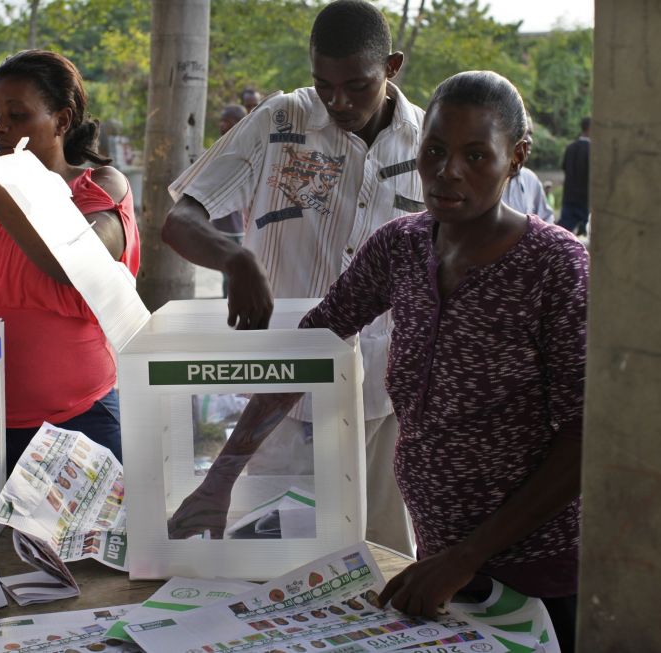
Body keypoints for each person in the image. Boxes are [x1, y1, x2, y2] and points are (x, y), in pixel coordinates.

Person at [173, 70, 586, 652]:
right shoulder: (401, 247)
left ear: (516, 158)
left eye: (476, 156)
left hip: (536, 569)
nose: (448, 172)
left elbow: (584, 436)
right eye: (435, 150)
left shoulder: (556, 269)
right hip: (441, 557)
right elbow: (309, 355)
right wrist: (220, 478)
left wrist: (467, 557)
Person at [163, 0, 423, 554]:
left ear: (393, 67)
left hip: (385, 396)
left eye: (357, 84)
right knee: (276, 554)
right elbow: (181, 220)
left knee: (386, 559)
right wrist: (233, 259)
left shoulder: (426, 141)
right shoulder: (280, 123)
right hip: (280, 401)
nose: (339, 102)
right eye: (323, 85)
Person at [0, 50, 140, 472]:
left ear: (61, 119)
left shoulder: (98, 188)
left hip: (78, 425)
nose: (0, 128)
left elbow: (78, 264)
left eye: (16, 115)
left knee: (77, 541)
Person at [212, 104, 248, 297]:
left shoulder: (243, 147)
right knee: (229, 273)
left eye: (227, 121)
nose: (222, 125)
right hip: (222, 224)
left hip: (237, 225)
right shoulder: (222, 146)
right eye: (222, 120)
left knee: (234, 273)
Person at [502, 117, 553, 223]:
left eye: (531, 134)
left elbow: (546, 219)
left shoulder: (531, 180)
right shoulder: (488, 177)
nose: (529, 140)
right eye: (525, 132)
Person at [558, 116, 590, 235]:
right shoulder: (592, 150)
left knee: (563, 233)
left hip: (569, 197)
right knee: (586, 233)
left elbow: (565, 168)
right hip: (585, 200)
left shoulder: (570, 148)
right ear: (590, 129)